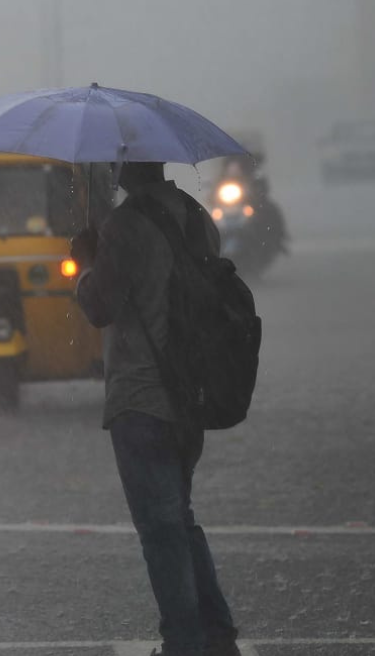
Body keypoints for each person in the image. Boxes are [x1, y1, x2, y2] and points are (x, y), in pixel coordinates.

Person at [70, 162, 239, 656]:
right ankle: (216, 633)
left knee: (160, 529)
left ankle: (185, 643)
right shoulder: (197, 216)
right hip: (191, 395)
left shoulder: (123, 226)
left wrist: (86, 262)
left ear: (127, 168)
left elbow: (100, 306)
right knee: (178, 519)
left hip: (141, 397)